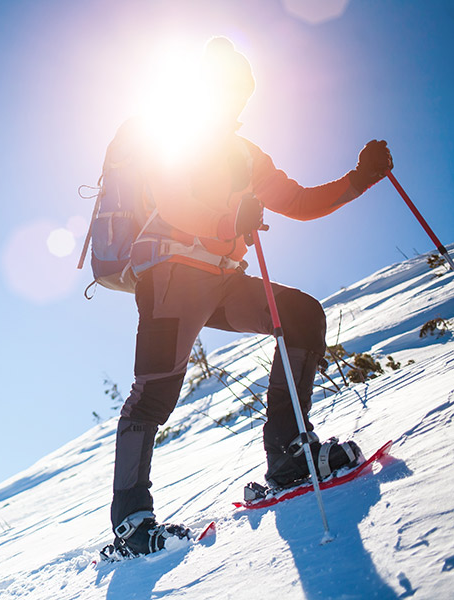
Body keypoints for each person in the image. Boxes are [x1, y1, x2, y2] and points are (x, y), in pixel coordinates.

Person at [105, 37, 393, 556]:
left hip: (220, 280)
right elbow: (173, 197)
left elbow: (300, 202)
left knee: (301, 316)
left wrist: (360, 179)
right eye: (226, 88)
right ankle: (130, 521)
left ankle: (287, 457)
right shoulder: (175, 136)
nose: (235, 100)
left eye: (242, 91)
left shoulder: (245, 154)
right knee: (154, 394)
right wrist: (225, 217)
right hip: (170, 277)